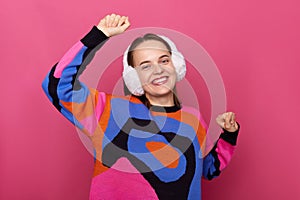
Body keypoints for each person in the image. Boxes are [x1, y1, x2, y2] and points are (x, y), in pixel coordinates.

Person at [42, 13, 240, 200]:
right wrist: (97, 36)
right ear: (134, 76)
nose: (158, 70)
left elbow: (208, 169)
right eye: (146, 65)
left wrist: (229, 135)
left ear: (176, 65)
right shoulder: (108, 110)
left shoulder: (193, 119)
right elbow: (56, 85)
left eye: (164, 60)